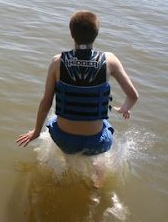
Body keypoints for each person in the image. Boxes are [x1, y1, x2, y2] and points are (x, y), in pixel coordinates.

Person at [16, 11, 139, 156]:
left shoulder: (57, 61)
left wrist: (36, 132)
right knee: (105, 126)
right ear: (96, 34)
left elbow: (46, 102)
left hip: (64, 140)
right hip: (96, 143)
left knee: (54, 120)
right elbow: (133, 96)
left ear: (71, 34)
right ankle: (97, 175)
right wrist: (124, 108)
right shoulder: (110, 60)